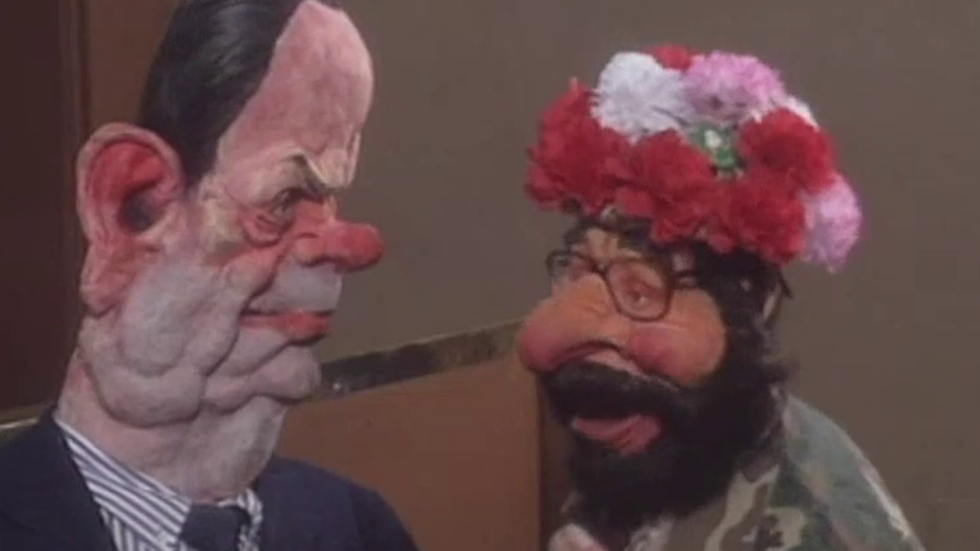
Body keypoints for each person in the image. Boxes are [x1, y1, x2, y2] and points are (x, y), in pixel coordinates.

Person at [0, 1, 419, 550]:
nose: (344, 249)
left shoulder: (358, 529)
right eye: (284, 200)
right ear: (130, 206)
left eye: (330, 202)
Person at [516, 44, 926, 551]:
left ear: (749, 307)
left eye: (641, 293)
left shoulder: (812, 525)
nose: (585, 338)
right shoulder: (650, 441)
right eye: (578, 273)